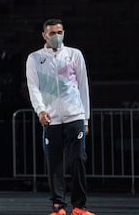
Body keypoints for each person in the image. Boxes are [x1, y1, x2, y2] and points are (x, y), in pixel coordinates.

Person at [26, 19, 94, 215]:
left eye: (60, 32)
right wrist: (40, 110)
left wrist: (85, 119)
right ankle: (58, 206)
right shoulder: (34, 58)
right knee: (54, 163)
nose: (57, 36)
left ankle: (79, 206)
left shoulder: (74, 54)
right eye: (52, 33)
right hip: (51, 118)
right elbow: (33, 87)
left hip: (75, 116)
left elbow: (83, 86)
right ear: (44, 35)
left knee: (78, 160)